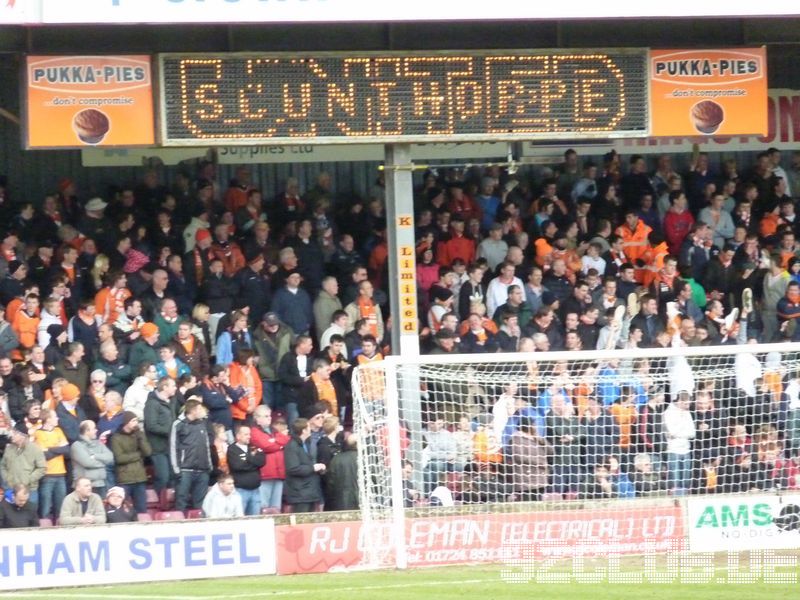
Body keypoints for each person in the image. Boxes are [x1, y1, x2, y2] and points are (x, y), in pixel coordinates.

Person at [170, 399, 213, 511]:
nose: (202, 411)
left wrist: (209, 465)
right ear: (193, 411)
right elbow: (173, 447)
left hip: (202, 470)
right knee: (181, 500)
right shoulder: (178, 424)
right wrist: (177, 470)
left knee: (200, 504)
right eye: (199, 408)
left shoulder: (202, 424)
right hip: (185, 470)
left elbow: (206, 445)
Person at [110, 411, 152, 514]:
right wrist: (138, 455)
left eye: (136, 420)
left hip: (140, 477)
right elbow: (119, 458)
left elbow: (148, 452)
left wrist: (140, 438)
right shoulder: (116, 437)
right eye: (133, 421)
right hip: (125, 479)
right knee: (124, 510)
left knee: (142, 509)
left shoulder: (139, 434)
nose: (136, 423)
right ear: (126, 422)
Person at [250, 405, 290, 511]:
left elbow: (286, 440)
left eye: (269, 416)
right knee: (264, 506)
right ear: (257, 418)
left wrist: (274, 442)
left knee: (276, 507)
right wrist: (279, 445)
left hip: (279, 473)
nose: (269, 418)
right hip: (265, 473)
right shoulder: (254, 431)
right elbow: (265, 446)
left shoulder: (273, 431)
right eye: (266, 416)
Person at [144, 377, 179, 494]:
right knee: (163, 477)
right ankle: (160, 503)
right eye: (173, 385)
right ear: (164, 387)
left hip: (170, 447)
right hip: (157, 447)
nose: (175, 388)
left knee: (172, 477)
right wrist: (170, 431)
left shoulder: (172, 401)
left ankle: (170, 506)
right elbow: (151, 425)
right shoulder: (152, 404)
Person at [283, 417, 325, 513]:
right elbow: (293, 468)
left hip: (309, 491)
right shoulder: (292, 446)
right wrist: (313, 468)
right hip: (299, 493)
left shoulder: (305, 443)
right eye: (308, 427)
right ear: (304, 430)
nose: (310, 429)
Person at [226, 424, 266, 516]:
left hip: (256, 490)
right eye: (246, 434)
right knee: (240, 519)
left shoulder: (254, 447)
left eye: (249, 434)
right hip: (240, 490)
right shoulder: (232, 449)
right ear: (238, 436)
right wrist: (253, 461)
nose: (249, 436)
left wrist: (248, 459)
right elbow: (237, 466)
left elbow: (262, 462)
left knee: (255, 519)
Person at [70, 419, 115, 497]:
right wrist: (103, 463)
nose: (96, 430)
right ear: (87, 431)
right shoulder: (77, 445)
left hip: (101, 484)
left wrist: (95, 456)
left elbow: (110, 457)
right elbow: (88, 463)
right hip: (84, 487)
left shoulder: (99, 443)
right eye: (94, 428)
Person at [325, 433, 359, 511]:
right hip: (361, 499)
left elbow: (330, 482)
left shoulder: (336, 459)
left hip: (341, 500)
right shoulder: (364, 459)